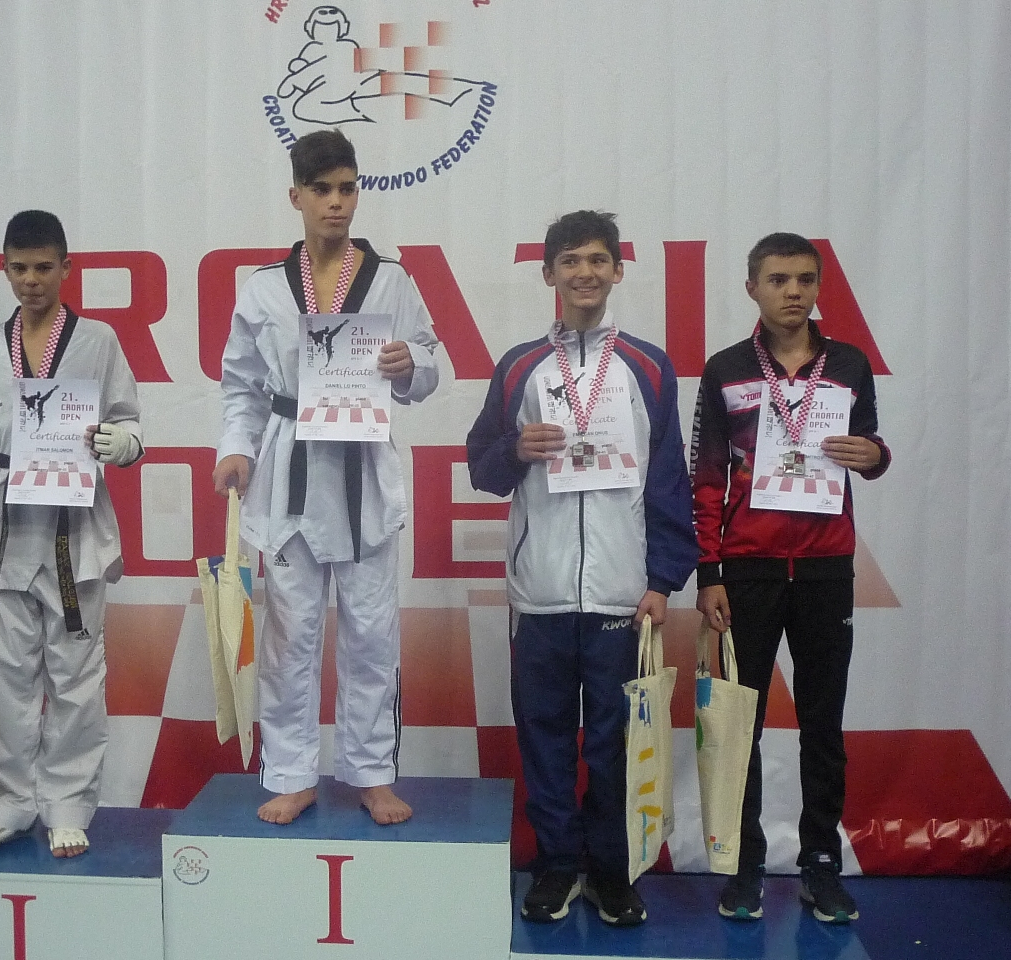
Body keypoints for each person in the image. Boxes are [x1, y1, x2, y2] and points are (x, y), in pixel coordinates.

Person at [467, 210, 697, 926]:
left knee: (612, 741)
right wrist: (515, 449)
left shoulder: (649, 367)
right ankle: (556, 864)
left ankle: (610, 869)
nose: (585, 273)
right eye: (570, 261)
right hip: (539, 593)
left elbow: (669, 481)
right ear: (549, 274)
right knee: (542, 735)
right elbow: (482, 468)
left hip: (621, 595)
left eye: (598, 259)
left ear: (618, 270)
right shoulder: (520, 367)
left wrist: (661, 581)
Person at [212, 130, 438, 827]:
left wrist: (411, 365)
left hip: (363, 473)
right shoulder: (262, 289)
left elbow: (430, 363)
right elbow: (241, 384)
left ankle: (371, 773)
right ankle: (290, 772)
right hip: (290, 471)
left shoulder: (392, 280)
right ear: (296, 197)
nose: (336, 202)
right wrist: (236, 449)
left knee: (371, 632)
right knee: (290, 633)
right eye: (321, 190)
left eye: (346, 188)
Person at [691, 232, 890, 923]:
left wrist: (874, 455)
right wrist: (709, 572)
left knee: (822, 723)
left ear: (818, 286)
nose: (793, 291)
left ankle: (821, 864)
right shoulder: (724, 370)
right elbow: (705, 478)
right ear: (752, 287)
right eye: (778, 280)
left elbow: (870, 444)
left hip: (827, 567)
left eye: (805, 279)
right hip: (747, 570)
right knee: (739, 724)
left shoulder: (850, 365)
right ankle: (744, 864)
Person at [0, 210, 144, 857]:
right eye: (18, 268)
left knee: (75, 677)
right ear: (4, 269)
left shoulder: (98, 341)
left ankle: (67, 805)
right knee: (6, 680)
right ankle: (9, 803)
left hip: (71, 533)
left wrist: (121, 443)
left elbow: (130, 422)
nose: (30, 280)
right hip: (3, 530)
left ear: (66, 267)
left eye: (42, 267)